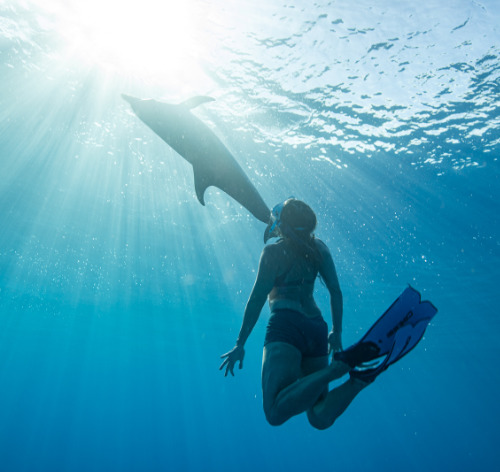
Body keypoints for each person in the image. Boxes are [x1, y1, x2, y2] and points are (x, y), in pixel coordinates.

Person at [220, 198, 376, 429]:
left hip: (286, 325)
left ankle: (336, 370)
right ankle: (356, 383)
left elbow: (256, 300)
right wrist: (337, 332)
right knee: (318, 415)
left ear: (283, 223)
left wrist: (240, 343)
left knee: (273, 412)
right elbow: (335, 291)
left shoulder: (273, 252)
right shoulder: (320, 248)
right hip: (317, 327)